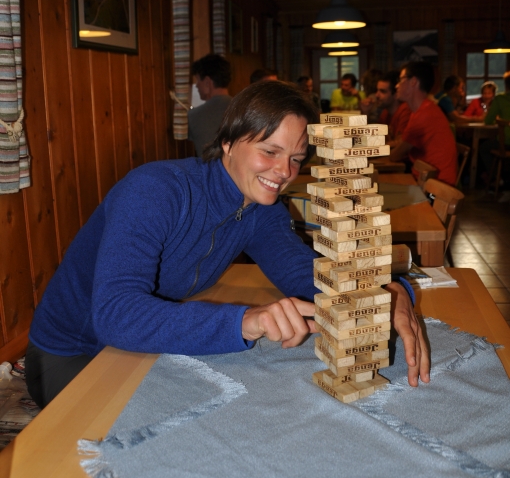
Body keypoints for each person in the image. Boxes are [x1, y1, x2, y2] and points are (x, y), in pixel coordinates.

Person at [26, 81, 429, 408]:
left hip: (133, 351)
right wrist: (245, 320)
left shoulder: (260, 207)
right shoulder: (154, 191)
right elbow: (114, 315)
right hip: (70, 354)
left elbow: (307, 276)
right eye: (269, 151)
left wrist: (388, 294)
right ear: (228, 143)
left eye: (295, 158)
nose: (284, 171)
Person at [389, 61, 458, 185]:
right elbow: (402, 143)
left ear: (413, 82)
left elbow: (395, 156)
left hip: (437, 192)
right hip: (429, 181)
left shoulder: (423, 115)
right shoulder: (423, 109)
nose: (396, 86)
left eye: (400, 80)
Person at [188, 54, 232, 156]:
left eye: (198, 79)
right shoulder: (246, 108)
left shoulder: (194, 115)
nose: (197, 85)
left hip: (210, 171)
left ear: (207, 82)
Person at [480, 71, 510, 199]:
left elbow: (488, 121)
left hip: (506, 144)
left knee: (483, 148)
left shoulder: (500, 99)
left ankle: (497, 179)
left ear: (506, 85)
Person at [375, 70, 411, 143]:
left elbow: (400, 145)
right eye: (377, 90)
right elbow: (376, 137)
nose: (377, 95)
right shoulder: (386, 112)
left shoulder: (405, 111)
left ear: (395, 94)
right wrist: (365, 112)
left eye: (382, 91)